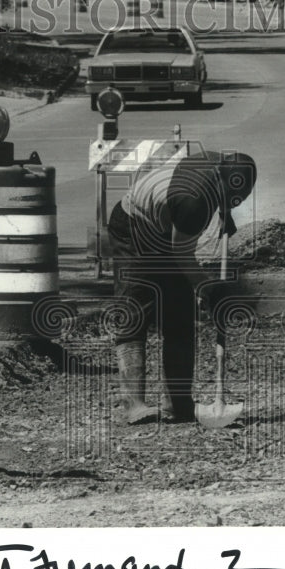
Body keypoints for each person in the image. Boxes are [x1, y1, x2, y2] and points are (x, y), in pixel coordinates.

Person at [107, 150, 257, 424]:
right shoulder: (195, 202)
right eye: (233, 197)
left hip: (167, 225)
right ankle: (134, 404)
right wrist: (206, 287)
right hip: (132, 226)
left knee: (179, 314)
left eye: (242, 199)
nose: (237, 202)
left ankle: (177, 404)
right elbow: (181, 254)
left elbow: (180, 245)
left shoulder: (216, 163)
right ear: (220, 181)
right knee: (135, 309)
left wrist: (225, 210)